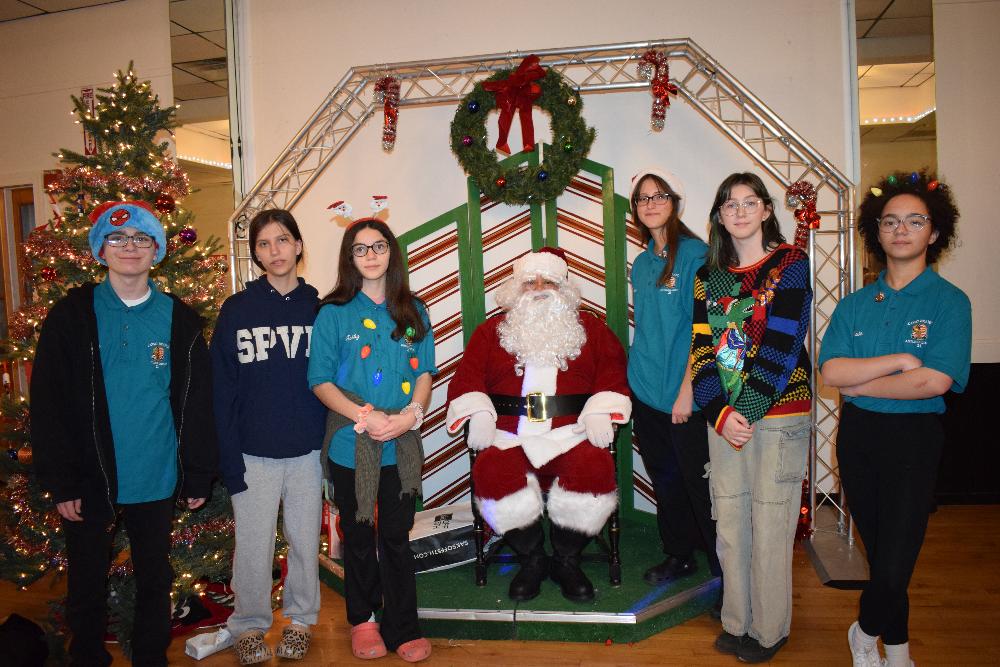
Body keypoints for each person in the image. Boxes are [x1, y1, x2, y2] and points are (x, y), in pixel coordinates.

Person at [31, 200, 217, 667]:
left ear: (157, 249)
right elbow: (49, 404)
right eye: (117, 238)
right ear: (100, 248)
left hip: (156, 472)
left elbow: (197, 404)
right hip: (90, 476)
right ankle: (88, 656)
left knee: (155, 577)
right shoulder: (72, 316)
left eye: (140, 238)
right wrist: (62, 482)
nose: (129, 247)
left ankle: (151, 656)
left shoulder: (180, 319)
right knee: (86, 579)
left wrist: (197, 473)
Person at [819, 172, 971, 667]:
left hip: (914, 439)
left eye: (914, 221)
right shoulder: (854, 305)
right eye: (890, 221)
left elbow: (934, 382)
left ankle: (864, 632)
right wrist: (898, 362)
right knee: (883, 551)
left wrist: (860, 383)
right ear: (876, 231)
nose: (901, 230)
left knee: (895, 560)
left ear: (935, 231)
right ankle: (899, 652)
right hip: (859, 439)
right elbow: (830, 371)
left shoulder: (950, 302)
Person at [446, 247, 631, 603]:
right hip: (509, 436)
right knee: (492, 470)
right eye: (531, 281)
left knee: (594, 467)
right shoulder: (491, 332)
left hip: (571, 435)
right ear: (517, 287)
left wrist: (600, 409)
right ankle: (531, 557)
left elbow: (612, 372)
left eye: (550, 281)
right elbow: (467, 377)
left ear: (565, 288)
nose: (540, 288)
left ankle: (566, 558)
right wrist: (479, 412)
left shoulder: (592, 329)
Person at [691, 173, 812, 663]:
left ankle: (768, 630)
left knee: (770, 522)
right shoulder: (708, 276)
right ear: (719, 216)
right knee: (730, 523)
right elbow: (701, 350)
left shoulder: (790, 264)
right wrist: (719, 413)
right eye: (729, 204)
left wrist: (745, 410)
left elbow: (784, 344)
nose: (739, 211)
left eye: (749, 202)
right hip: (724, 420)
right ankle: (737, 621)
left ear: (766, 210)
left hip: (779, 413)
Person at [307, 217, 436, 663]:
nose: (371, 255)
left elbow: (425, 372)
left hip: (401, 442)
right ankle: (363, 620)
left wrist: (411, 416)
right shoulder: (333, 313)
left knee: (397, 536)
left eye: (378, 246)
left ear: (391, 252)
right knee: (359, 535)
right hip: (351, 440)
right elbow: (320, 380)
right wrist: (365, 415)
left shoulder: (413, 309)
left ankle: (403, 626)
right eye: (360, 249)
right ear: (350, 258)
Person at [210, 209, 327, 663]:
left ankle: (300, 621)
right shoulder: (237, 310)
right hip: (252, 453)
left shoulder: (321, 309)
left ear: (298, 245)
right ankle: (248, 625)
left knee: (304, 542)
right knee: (253, 547)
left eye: (282, 240)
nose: (274, 250)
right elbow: (221, 389)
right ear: (256, 254)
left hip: (307, 452)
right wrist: (228, 456)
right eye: (264, 243)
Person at [627, 167, 722, 597]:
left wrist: (688, 391)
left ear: (675, 202)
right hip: (646, 391)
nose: (651, 204)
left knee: (699, 486)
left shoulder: (696, 256)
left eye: (659, 195)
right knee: (664, 480)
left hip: (685, 396)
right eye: (643, 198)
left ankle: (723, 571)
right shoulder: (642, 262)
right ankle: (679, 554)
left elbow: (704, 330)